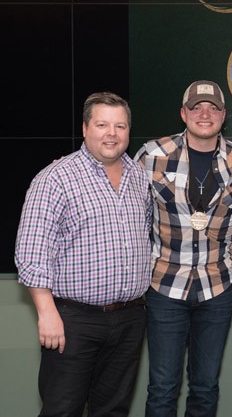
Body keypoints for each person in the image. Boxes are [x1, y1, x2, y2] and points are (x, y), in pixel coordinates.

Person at [15, 92, 152, 416]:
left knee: (113, 410)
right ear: (85, 128)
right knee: (63, 409)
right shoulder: (55, 178)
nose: (112, 133)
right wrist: (47, 313)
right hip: (73, 320)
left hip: (130, 318)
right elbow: (31, 250)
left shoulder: (139, 178)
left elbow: (144, 237)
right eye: (102, 124)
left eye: (120, 126)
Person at [134, 80, 232, 417]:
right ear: (183, 113)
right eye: (197, 107)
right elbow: (125, 202)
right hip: (164, 285)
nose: (205, 114)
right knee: (162, 388)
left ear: (223, 116)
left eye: (212, 108)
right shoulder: (151, 155)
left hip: (217, 286)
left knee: (205, 387)